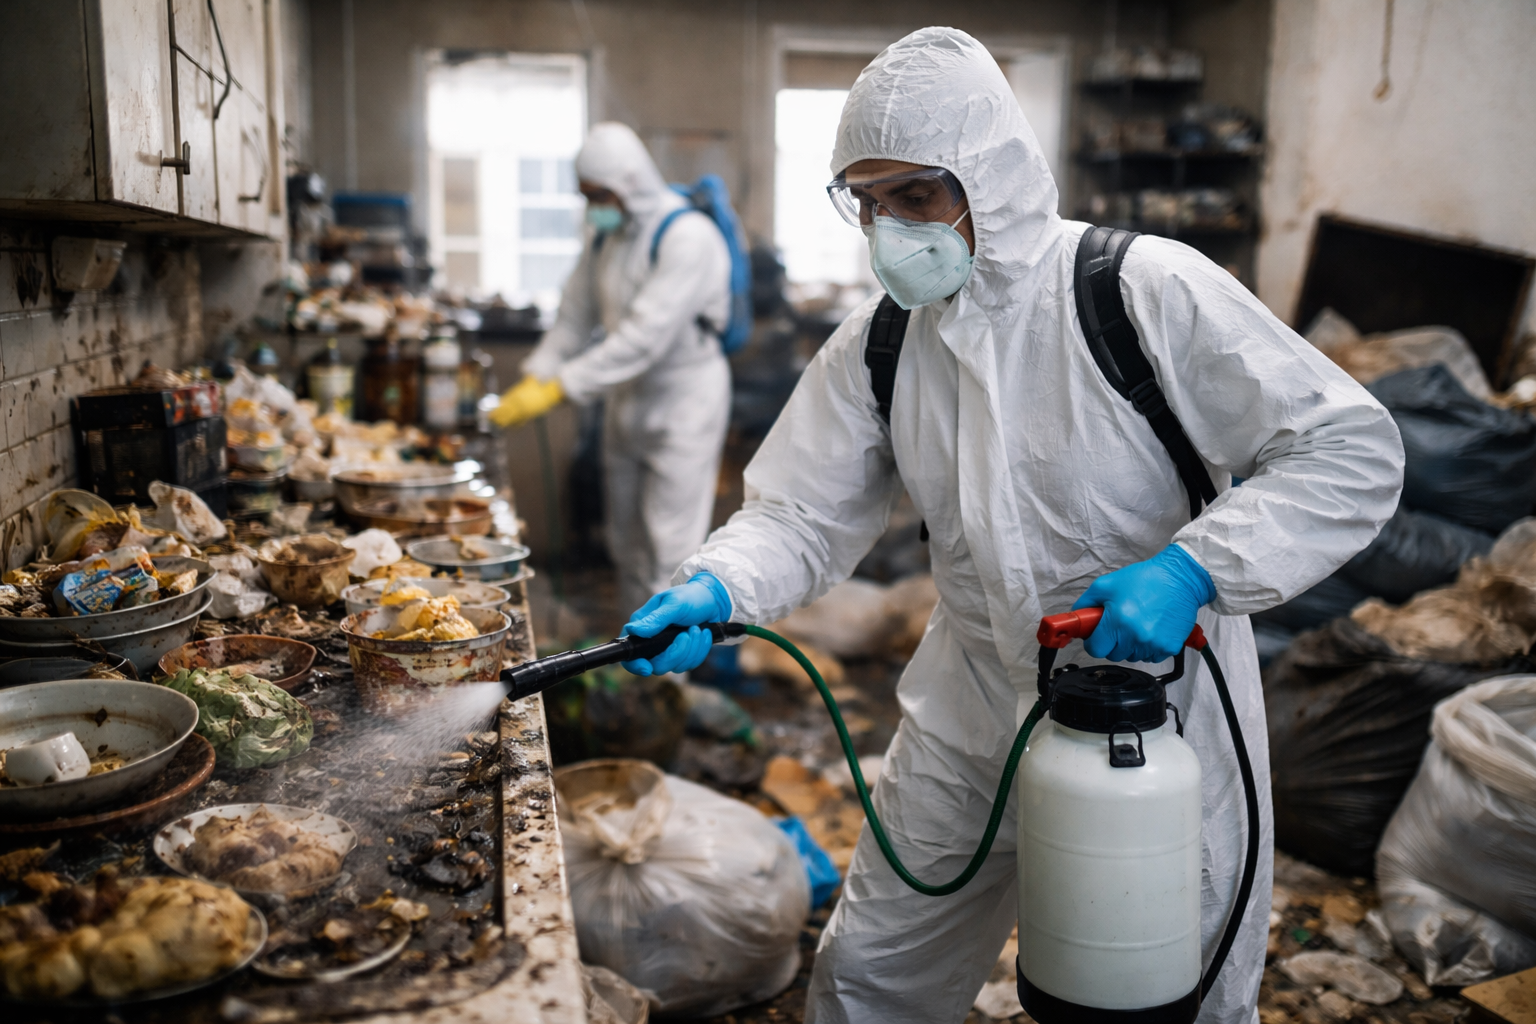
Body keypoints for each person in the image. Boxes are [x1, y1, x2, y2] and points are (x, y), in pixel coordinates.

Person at [618, 27, 1405, 1024]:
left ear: (989, 174)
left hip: (1156, 727)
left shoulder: (1137, 291)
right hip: (971, 712)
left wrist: (1193, 570)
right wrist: (721, 582)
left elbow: (1349, 450)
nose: (889, 230)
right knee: (871, 976)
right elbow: (802, 511)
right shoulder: (885, 342)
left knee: (1168, 994)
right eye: (867, 203)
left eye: (916, 197)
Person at [491, 122, 732, 615]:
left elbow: (642, 339)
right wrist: (539, 372)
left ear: (629, 184)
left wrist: (561, 386)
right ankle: (635, 657)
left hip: (683, 401)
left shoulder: (688, 236)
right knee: (623, 540)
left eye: (598, 195)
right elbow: (575, 316)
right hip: (627, 402)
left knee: (669, 547)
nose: (592, 207)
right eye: (585, 197)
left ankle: (672, 680)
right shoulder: (607, 238)